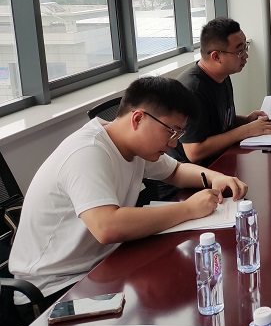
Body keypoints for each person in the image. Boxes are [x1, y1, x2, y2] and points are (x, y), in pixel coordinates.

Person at [9, 76, 248, 308]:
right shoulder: (88, 152)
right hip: (54, 288)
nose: (174, 144)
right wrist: (188, 209)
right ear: (138, 119)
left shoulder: (132, 145)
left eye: (179, 134)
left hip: (102, 265)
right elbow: (107, 226)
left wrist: (217, 177)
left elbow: (176, 170)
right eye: (171, 132)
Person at [170, 17, 271, 167]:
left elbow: (216, 122)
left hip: (219, 161)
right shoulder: (192, 90)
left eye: (245, 48)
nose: (246, 55)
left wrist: (245, 120)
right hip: (191, 174)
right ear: (216, 56)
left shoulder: (222, 75)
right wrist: (246, 130)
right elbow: (194, 152)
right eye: (239, 51)